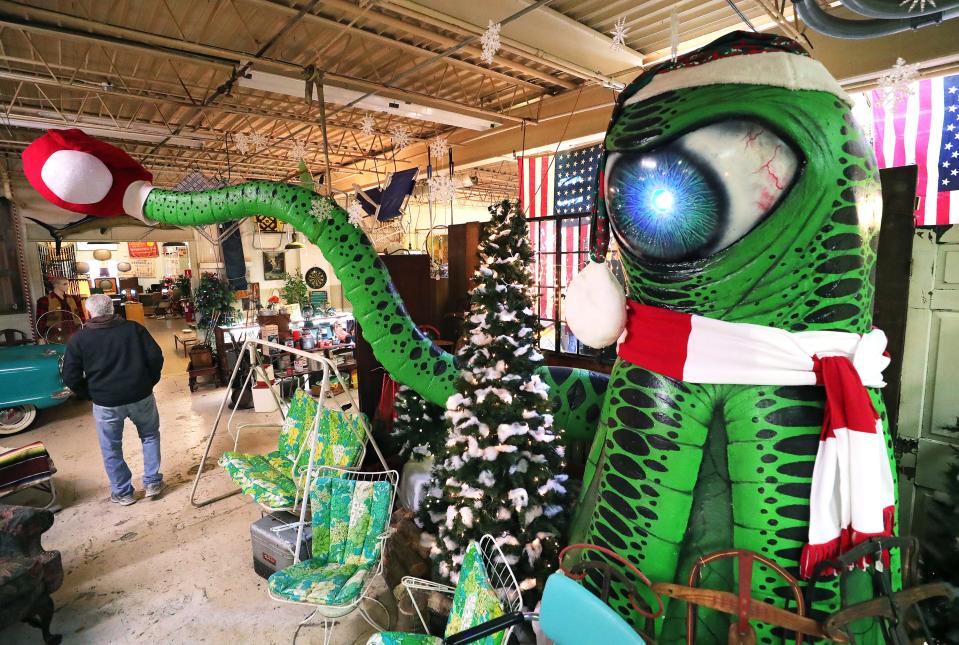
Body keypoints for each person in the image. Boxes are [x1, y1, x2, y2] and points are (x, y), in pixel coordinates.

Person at [61, 293, 165, 505]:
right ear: (113, 309)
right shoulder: (134, 329)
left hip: (106, 402)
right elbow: (155, 357)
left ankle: (123, 492)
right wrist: (148, 382)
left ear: (90, 312)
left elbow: (70, 376)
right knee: (150, 436)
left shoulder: (79, 339)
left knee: (111, 447)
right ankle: (153, 482)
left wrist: (91, 394)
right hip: (140, 395)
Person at [36, 276, 86, 340]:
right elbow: (41, 320)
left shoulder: (74, 299)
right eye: (64, 284)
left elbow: (81, 316)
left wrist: (84, 330)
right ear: (56, 285)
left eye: (68, 284)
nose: (67, 286)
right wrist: (40, 337)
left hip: (74, 332)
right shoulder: (44, 300)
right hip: (54, 333)